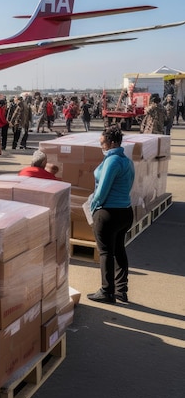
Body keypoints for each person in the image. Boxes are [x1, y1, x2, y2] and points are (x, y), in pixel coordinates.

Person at [87, 125, 135, 304]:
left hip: (108, 212)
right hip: (125, 211)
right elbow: (129, 184)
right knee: (119, 249)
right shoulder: (127, 161)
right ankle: (121, 290)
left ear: (112, 143)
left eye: (103, 143)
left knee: (106, 252)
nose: (102, 146)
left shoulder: (112, 161)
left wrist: (94, 206)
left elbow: (102, 190)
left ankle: (107, 291)